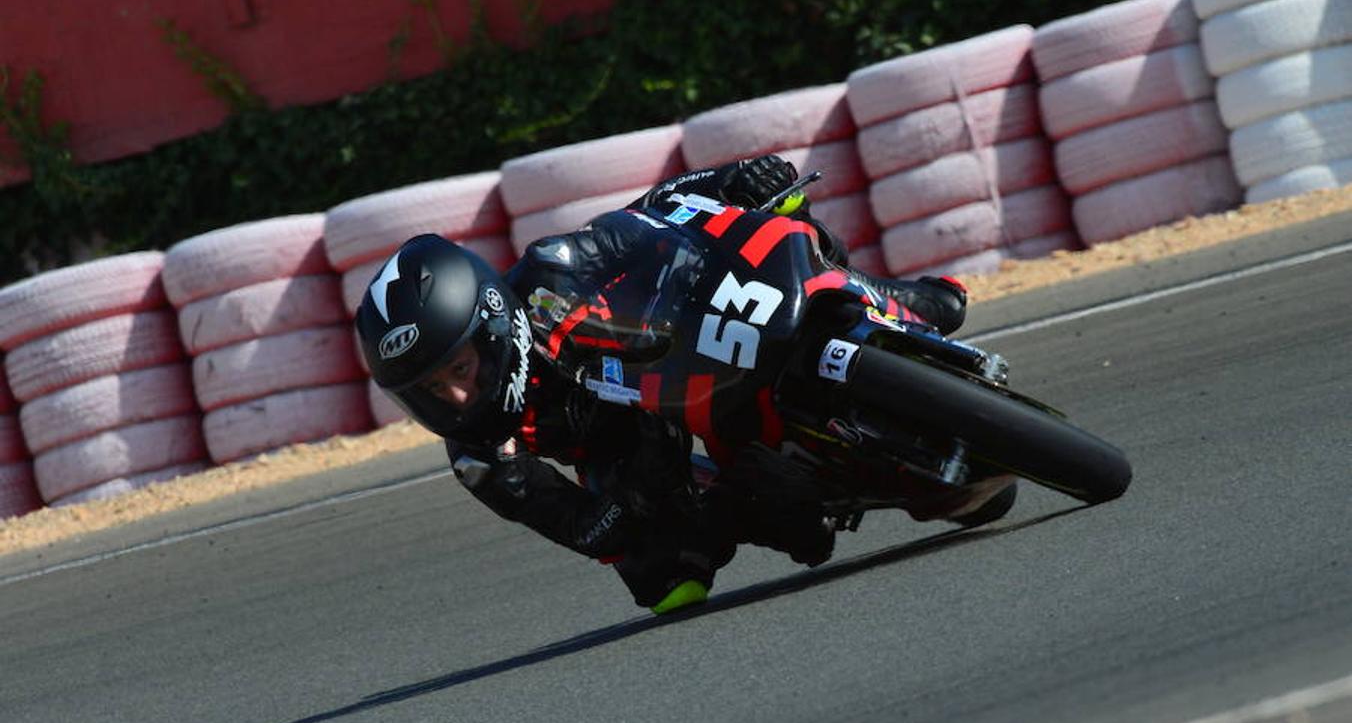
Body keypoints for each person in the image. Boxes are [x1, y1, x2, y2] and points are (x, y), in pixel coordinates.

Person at [354, 155, 970, 614]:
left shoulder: (551, 269)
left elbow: (651, 214)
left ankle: (888, 301)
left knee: (783, 226)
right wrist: (636, 495)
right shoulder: (482, 458)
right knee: (665, 582)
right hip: (620, 449)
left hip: (672, 356)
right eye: (432, 391)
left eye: (460, 371)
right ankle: (773, 490)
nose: (457, 399)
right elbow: (582, 528)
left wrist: (734, 180)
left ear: (491, 323)